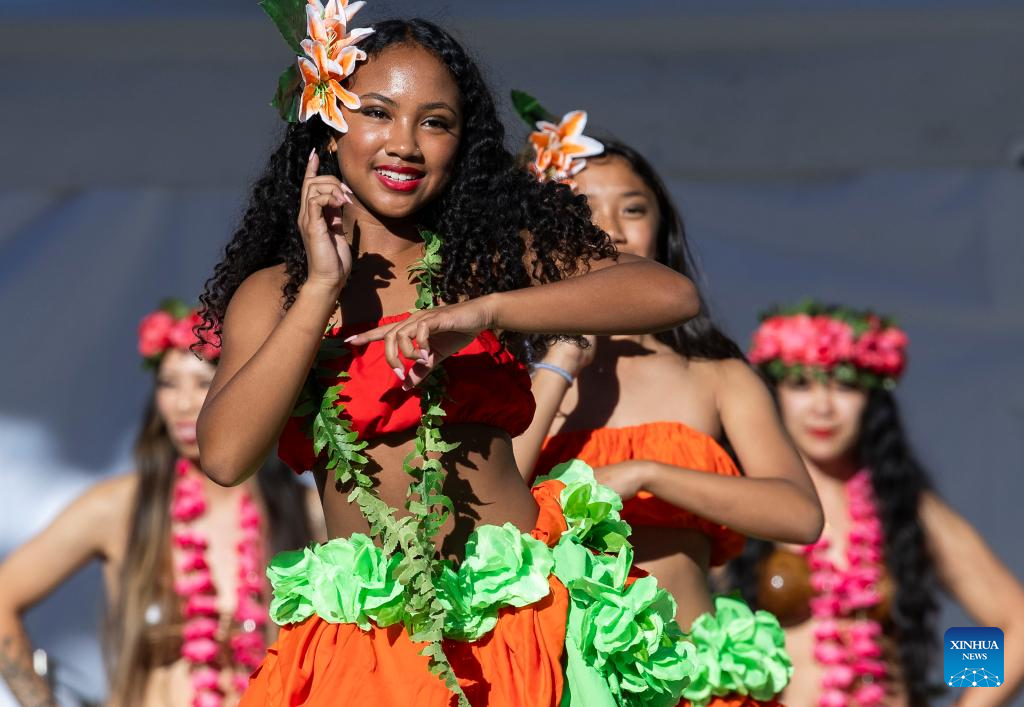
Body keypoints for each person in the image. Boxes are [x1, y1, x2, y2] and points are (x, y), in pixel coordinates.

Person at [196, 5, 702, 706]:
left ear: (461, 144)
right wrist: (319, 289)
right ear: (329, 122)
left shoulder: (487, 256)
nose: (404, 143)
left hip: (518, 618)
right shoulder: (276, 291)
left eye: (435, 122)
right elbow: (224, 456)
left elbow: (668, 293)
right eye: (377, 112)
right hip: (373, 640)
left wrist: (485, 311)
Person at [510, 97, 822, 706]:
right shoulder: (515, 374)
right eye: (583, 209)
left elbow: (799, 515)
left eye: (634, 208)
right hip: (560, 679)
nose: (614, 229)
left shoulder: (714, 374)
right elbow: (489, 517)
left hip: (695, 679)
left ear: (662, 228)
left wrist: (646, 473)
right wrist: (558, 363)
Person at [0, 300, 319, 707]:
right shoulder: (119, 508)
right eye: (169, 384)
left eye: (203, 383)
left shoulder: (304, 512)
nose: (183, 404)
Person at [728, 300, 1024, 706]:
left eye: (845, 384)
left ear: (873, 398)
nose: (823, 407)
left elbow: (1012, 622)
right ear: (773, 392)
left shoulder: (904, 507)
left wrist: (965, 698)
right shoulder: (748, 498)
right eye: (801, 384)